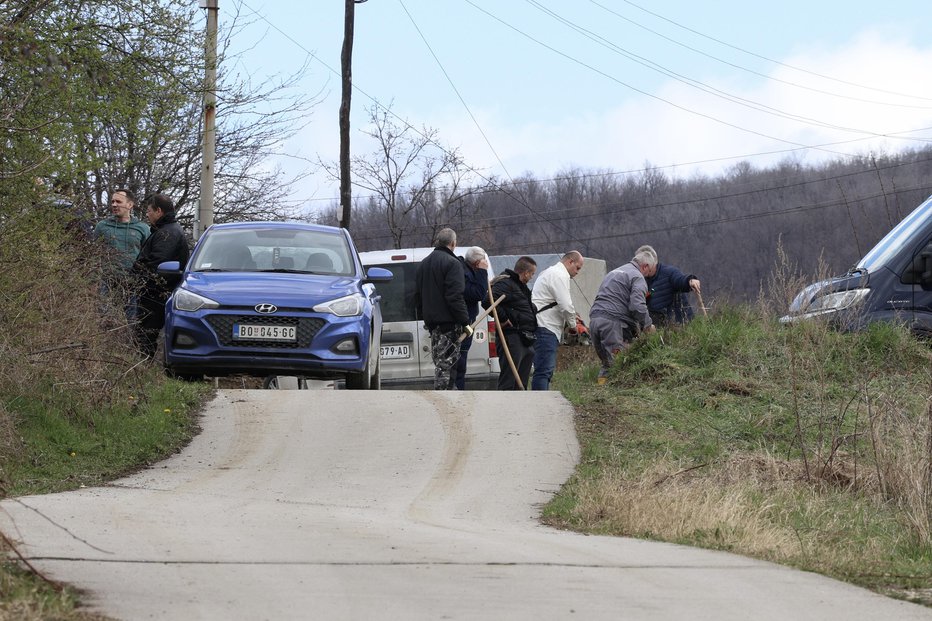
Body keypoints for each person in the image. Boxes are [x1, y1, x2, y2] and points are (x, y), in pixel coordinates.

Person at [131, 194, 190, 359]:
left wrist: (138, 276)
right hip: (155, 291)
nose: (147, 214)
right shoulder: (165, 230)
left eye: (149, 211)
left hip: (156, 293)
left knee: (146, 334)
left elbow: (157, 263)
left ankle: (142, 369)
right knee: (143, 333)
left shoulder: (168, 233)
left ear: (159, 211)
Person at [589, 248, 657, 385]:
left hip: (595, 320)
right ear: (645, 266)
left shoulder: (614, 272)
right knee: (617, 364)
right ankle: (613, 397)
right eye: (648, 273)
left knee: (607, 363)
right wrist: (648, 325)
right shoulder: (637, 277)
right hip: (612, 324)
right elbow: (637, 305)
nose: (647, 276)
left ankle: (600, 392)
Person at [414, 228, 471, 390]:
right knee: (447, 367)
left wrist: (426, 318)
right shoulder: (453, 264)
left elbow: (417, 297)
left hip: (434, 326)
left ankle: (446, 398)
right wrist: (465, 321)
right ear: (453, 243)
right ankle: (444, 403)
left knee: (441, 364)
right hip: (449, 325)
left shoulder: (423, 264)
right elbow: (455, 297)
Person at [530, 251, 584, 391]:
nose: (577, 272)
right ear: (570, 262)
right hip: (546, 327)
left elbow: (556, 304)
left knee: (544, 371)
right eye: (577, 267)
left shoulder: (549, 272)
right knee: (543, 371)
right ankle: (541, 405)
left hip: (543, 325)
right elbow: (566, 305)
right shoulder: (559, 275)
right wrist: (573, 325)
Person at [93, 188, 150, 321]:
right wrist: (93, 280)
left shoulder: (142, 228)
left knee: (130, 322)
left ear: (130, 205)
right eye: (112, 201)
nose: (114, 205)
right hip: (107, 281)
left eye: (118, 201)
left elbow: (147, 256)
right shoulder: (102, 226)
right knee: (105, 320)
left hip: (132, 283)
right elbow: (93, 254)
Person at [483, 256, 537, 391]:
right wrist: (503, 318)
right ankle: (504, 408)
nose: (531, 277)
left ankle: (519, 408)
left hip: (525, 337)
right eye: (532, 274)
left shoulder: (520, 287)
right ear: (525, 272)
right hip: (512, 337)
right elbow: (488, 301)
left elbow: (519, 305)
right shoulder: (506, 283)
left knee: (521, 381)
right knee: (509, 379)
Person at [637, 245, 701, 327]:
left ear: (650, 263)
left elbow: (680, 280)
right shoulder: (642, 281)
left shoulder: (669, 273)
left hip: (681, 326)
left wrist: (690, 281)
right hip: (662, 331)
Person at [454, 246, 489, 390]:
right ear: (476, 263)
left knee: (461, 362)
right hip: (462, 323)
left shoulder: (466, 269)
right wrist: (482, 272)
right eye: (483, 262)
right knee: (459, 363)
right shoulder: (463, 273)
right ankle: (457, 391)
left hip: (468, 321)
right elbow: (478, 294)